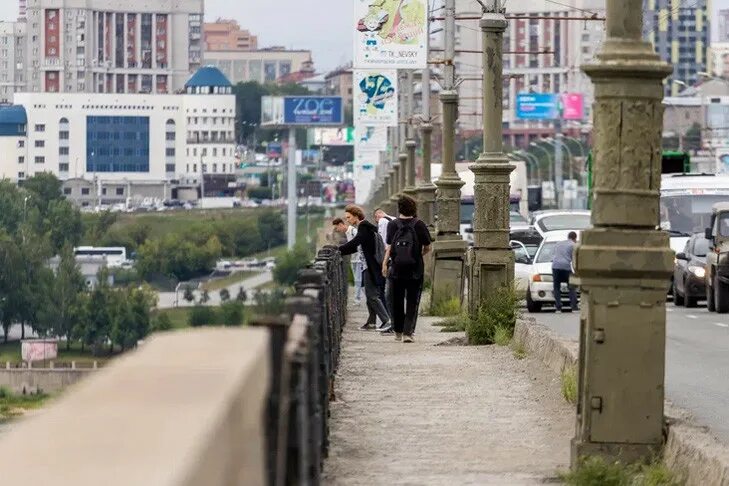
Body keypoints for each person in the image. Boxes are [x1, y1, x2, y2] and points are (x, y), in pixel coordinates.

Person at [382, 195, 432, 343]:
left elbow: (389, 247)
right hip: (415, 269)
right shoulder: (419, 224)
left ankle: (397, 332)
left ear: (399, 209)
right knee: (412, 300)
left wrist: (385, 264)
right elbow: (427, 247)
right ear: (414, 208)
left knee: (396, 300)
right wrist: (417, 254)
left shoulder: (393, 225)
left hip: (396, 268)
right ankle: (407, 333)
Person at [338, 205, 391, 330]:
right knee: (370, 295)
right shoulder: (366, 227)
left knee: (372, 295)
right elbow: (354, 246)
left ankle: (387, 321)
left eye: (349, 217)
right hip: (368, 266)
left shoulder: (363, 226)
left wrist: (338, 249)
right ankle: (372, 322)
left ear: (356, 216)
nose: (347, 220)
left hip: (370, 266)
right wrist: (340, 250)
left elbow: (355, 242)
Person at [332, 217, 363, 304]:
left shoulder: (353, 231)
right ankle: (358, 299)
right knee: (357, 280)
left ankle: (358, 300)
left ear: (341, 224)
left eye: (337, 228)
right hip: (353, 259)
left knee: (358, 280)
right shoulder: (348, 232)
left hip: (359, 259)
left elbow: (359, 244)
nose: (337, 230)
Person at [552, 231, 578, 312]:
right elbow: (574, 259)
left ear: (568, 237)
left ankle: (558, 306)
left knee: (556, 287)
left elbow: (554, 255)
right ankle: (574, 306)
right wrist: (576, 271)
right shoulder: (573, 245)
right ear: (575, 238)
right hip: (566, 266)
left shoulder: (558, 244)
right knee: (571, 287)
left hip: (555, 266)